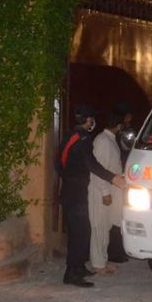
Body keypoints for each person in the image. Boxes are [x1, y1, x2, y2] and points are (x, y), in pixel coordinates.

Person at [57, 105, 126, 287]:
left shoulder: (69, 136)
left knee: (83, 231)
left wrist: (69, 177)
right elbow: (92, 164)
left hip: (71, 190)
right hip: (76, 193)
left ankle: (79, 267)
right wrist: (113, 179)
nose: (93, 122)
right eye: (92, 119)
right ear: (88, 120)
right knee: (79, 234)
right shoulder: (84, 139)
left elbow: (59, 164)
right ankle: (71, 273)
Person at [88, 111, 125, 275]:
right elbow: (98, 170)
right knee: (99, 227)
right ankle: (97, 263)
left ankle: (102, 259)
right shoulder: (103, 141)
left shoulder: (109, 140)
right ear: (119, 126)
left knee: (106, 226)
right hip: (100, 191)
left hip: (109, 190)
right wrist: (104, 192)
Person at [109, 102, 134, 263]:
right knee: (116, 216)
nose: (130, 120)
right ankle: (115, 251)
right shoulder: (118, 135)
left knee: (121, 215)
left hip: (123, 176)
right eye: (128, 117)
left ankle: (119, 250)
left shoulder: (124, 132)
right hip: (117, 178)